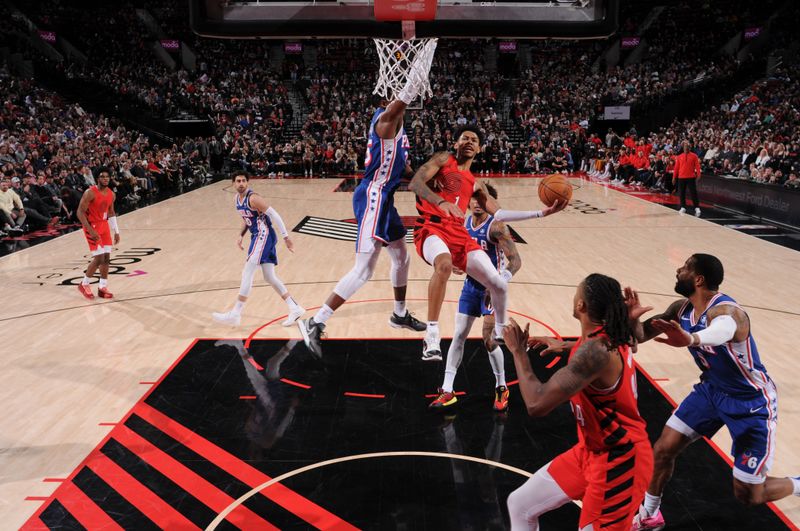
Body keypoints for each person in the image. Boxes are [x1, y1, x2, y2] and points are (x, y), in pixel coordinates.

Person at [626, 254, 800, 530]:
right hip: (711, 391)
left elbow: (722, 331)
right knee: (663, 449)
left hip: (750, 402)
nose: (678, 269)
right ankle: (650, 514)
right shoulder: (680, 309)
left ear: (698, 279)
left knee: (748, 494)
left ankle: (797, 484)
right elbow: (635, 338)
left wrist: (692, 338)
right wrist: (631, 320)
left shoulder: (729, 312)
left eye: (684, 268)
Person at [503, 273, 653, 531]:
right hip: (591, 451)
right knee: (520, 505)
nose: (574, 297)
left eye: (577, 293)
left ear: (581, 305)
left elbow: (536, 404)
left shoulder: (595, 352)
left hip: (621, 461)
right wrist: (564, 345)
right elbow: (595, 350)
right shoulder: (610, 334)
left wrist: (518, 352)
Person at [409, 126, 565, 360]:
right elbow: (416, 183)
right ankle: (432, 335)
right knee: (444, 265)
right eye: (465, 138)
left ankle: (500, 329)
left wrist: (542, 213)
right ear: (456, 144)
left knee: (498, 283)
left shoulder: (475, 183)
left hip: (457, 233)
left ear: (479, 148)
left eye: (474, 140)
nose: (469, 142)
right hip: (431, 227)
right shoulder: (443, 159)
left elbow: (499, 213)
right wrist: (441, 202)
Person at [297, 94, 428, 358]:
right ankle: (315, 322)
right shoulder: (385, 121)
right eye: (393, 94)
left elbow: (401, 166)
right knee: (363, 271)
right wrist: (415, 75)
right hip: (372, 198)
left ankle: (399, 315)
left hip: (386, 200)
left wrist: (424, 179)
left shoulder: (399, 126)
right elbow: (400, 101)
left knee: (402, 258)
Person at [428, 184, 520, 411]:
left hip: (492, 291)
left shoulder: (497, 227)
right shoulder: (462, 225)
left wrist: (499, 282)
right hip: (471, 287)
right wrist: (460, 265)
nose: (477, 203)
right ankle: (447, 390)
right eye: (473, 198)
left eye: (482, 199)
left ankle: (501, 387)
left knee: (488, 339)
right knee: (458, 336)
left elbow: (516, 261)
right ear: (467, 202)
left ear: (490, 202)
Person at [213, 171, 304, 327]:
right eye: (238, 181)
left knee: (247, 271)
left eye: (243, 181)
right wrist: (241, 235)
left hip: (264, 235)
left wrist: (286, 237)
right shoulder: (236, 199)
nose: (241, 183)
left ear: (248, 182)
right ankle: (294, 307)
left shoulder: (253, 198)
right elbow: (246, 219)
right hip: (257, 236)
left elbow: (275, 215)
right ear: (233, 183)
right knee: (269, 277)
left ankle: (235, 313)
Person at [75, 168, 120, 299]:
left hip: (104, 225)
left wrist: (116, 231)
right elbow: (80, 212)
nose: (105, 178)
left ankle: (102, 287)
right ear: (97, 178)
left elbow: (111, 213)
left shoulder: (112, 194)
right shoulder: (90, 192)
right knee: (99, 258)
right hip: (92, 226)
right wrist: (90, 230)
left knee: (106, 258)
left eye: (107, 176)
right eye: (102, 176)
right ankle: (84, 284)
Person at [673, 141, 701, 216]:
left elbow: (697, 166)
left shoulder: (694, 156)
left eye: (688, 146)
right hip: (681, 177)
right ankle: (683, 207)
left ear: (690, 147)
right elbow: (676, 168)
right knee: (681, 193)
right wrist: (674, 177)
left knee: (693, 193)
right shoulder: (679, 157)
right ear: (683, 148)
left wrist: (698, 175)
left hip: (691, 177)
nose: (686, 148)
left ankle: (697, 207)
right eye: (685, 147)